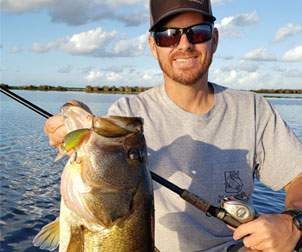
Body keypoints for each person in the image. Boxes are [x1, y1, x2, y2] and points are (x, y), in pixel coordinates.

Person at [44, 0, 302, 251]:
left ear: (215, 40)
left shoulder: (252, 109)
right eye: (167, 35)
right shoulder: (130, 114)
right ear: (153, 46)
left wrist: (293, 222)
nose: (184, 44)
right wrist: (70, 114)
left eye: (198, 33)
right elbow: (99, 145)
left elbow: (298, 177)